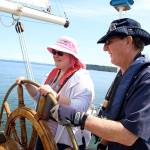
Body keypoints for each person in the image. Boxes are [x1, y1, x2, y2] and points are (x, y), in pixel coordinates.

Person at [50, 18, 150, 150]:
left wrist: (77, 117)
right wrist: (102, 145)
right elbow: (113, 117)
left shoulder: (146, 79)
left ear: (128, 41)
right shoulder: (122, 75)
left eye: (109, 42)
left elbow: (129, 135)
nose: (104, 48)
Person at [17, 36, 94, 150]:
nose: (55, 55)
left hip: (66, 140)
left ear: (72, 56)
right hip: (44, 131)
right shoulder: (54, 73)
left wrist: (56, 97)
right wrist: (27, 84)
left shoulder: (82, 78)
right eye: (54, 52)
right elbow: (40, 98)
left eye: (60, 53)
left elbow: (81, 107)